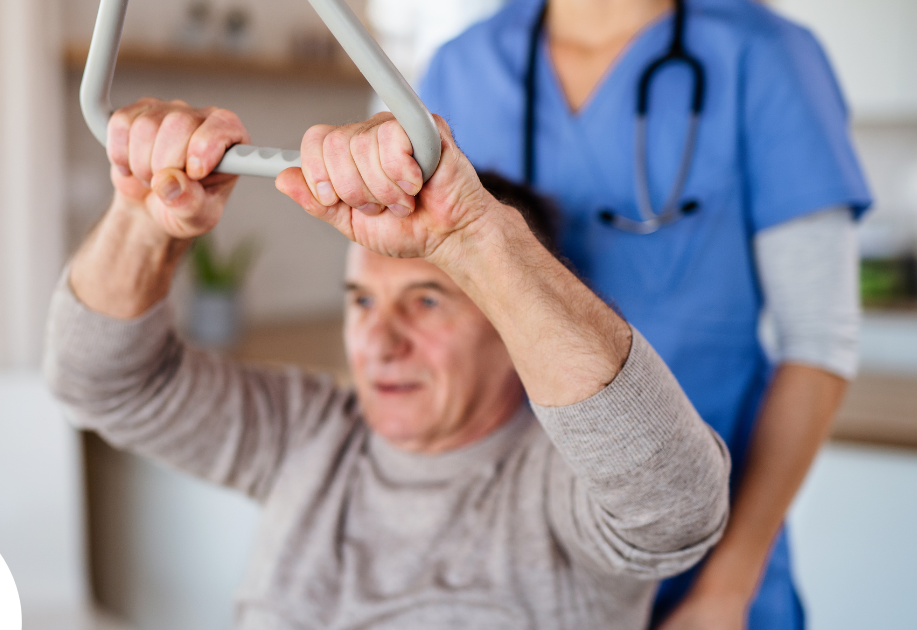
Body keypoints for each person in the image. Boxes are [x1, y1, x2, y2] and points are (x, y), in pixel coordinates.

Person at [45, 98, 731, 628]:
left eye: (428, 301)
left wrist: (473, 236)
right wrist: (142, 216)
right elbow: (99, 384)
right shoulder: (311, 437)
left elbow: (678, 508)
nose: (381, 340)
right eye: (362, 302)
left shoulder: (560, 494)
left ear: (511, 324)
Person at [417, 0, 871, 626]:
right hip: (509, 553)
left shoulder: (765, 57)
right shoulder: (461, 66)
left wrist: (726, 589)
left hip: (708, 559)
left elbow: (819, 343)